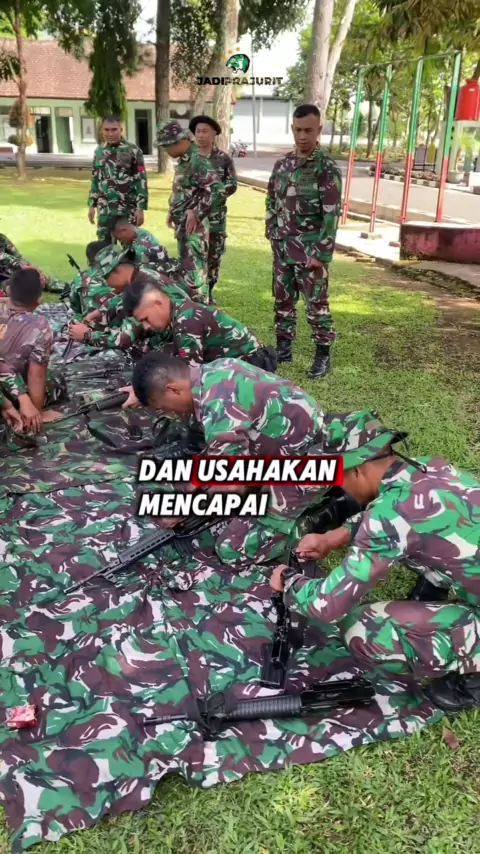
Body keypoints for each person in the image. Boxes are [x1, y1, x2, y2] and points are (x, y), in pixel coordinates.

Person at [269, 423, 480, 713]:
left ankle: (474, 674)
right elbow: (390, 516)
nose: (340, 489)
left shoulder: (390, 517)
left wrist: (289, 581)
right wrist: (333, 537)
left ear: (356, 470)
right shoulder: (430, 467)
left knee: (363, 629)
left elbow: (327, 605)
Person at [131, 352, 368, 567]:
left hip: (310, 461)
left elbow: (231, 487)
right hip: (287, 450)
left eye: (165, 408)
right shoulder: (213, 372)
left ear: (173, 390)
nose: (170, 414)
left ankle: (330, 511)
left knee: (233, 550)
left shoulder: (218, 405)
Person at [266, 104, 342, 380]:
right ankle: (284, 350)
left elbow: (332, 215)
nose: (302, 136)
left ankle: (323, 356)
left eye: (308, 130)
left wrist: (321, 254)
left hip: (311, 251)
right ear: (292, 129)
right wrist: (272, 231)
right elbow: (271, 200)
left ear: (319, 130)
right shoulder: (282, 165)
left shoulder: (326, 167)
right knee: (282, 301)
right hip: (283, 247)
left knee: (316, 306)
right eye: (298, 130)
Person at [122, 275, 277, 371]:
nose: (146, 326)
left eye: (145, 319)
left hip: (253, 366)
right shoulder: (177, 308)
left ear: (157, 303)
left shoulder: (186, 321)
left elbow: (190, 375)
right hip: (240, 362)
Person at [156, 119, 226, 304]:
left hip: (195, 230)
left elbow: (218, 190)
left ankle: (201, 313)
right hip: (185, 227)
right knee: (188, 273)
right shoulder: (184, 161)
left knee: (195, 278)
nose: (166, 151)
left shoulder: (197, 161)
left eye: (166, 146)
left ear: (179, 142)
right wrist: (173, 210)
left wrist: (196, 211)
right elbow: (184, 190)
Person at [0, 269, 64, 433]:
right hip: (13, 392)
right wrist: (36, 412)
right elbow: (36, 375)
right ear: (38, 301)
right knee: (56, 380)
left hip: (6, 392)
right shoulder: (40, 327)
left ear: (8, 290)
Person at [189, 114, 237, 305]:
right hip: (194, 218)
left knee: (214, 256)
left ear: (214, 134)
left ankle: (208, 291)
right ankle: (196, 293)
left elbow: (232, 184)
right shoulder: (189, 158)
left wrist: (213, 194)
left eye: (205, 132)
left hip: (216, 217)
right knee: (193, 256)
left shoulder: (223, 159)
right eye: (198, 132)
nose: (200, 135)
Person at [88, 117, 149, 242]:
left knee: (129, 245)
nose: (110, 134)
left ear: (121, 130)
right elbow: (95, 179)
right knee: (104, 245)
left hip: (127, 208)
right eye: (106, 130)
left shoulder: (133, 151)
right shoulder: (99, 152)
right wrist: (91, 205)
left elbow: (141, 180)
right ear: (102, 131)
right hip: (105, 209)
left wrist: (140, 208)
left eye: (114, 129)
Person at [109, 216, 181, 278]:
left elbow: (142, 272)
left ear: (124, 230)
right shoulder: (132, 237)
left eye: (119, 238)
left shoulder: (143, 244)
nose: (120, 240)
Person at [0, 233, 66, 294]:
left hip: (8, 272)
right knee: (14, 289)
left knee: (34, 278)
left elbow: (19, 258)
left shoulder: (2, 238)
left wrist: (37, 272)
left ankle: (54, 284)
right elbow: (8, 259)